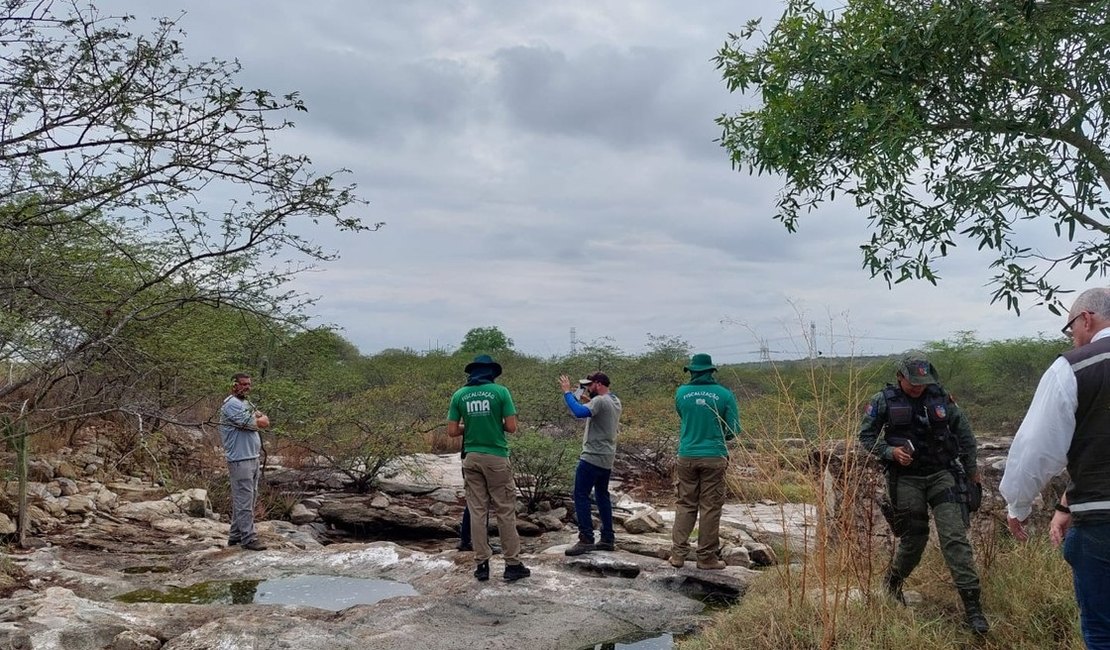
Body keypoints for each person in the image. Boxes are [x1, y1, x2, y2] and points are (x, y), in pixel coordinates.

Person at [1000, 287, 1110, 649]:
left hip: (1102, 521)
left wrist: (1018, 504)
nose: (1074, 338)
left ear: (1087, 318)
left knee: (1102, 630)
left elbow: (1035, 448)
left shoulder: (1075, 368)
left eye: (1071, 328)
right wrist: (1065, 504)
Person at [858, 353, 987, 634]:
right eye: (913, 383)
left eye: (922, 383)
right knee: (914, 539)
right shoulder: (883, 401)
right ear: (900, 378)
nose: (918, 387)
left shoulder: (941, 398)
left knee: (954, 538)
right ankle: (893, 583)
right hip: (905, 479)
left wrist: (972, 471)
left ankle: (973, 609)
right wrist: (890, 452)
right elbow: (865, 438)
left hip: (943, 474)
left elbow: (964, 435)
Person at [447, 354, 530, 582]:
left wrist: (471, 424)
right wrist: (492, 422)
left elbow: (452, 431)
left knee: (477, 511)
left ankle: (481, 565)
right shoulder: (501, 392)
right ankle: (512, 564)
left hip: (471, 458)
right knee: (504, 510)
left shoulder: (460, 395)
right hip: (496, 458)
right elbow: (511, 427)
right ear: (491, 372)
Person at [670, 353, 739, 571]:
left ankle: (678, 554)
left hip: (687, 455)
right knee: (710, 507)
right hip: (714, 456)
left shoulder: (681, 393)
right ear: (711, 371)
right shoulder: (724, 395)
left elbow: (684, 417)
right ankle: (706, 557)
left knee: (685, 504)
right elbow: (733, 429)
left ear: (691, 371)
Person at [559, 371, 623, 556]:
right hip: (607, 457)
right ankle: (607, 538)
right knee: (602, 495)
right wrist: (586, 399)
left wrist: (567, 393)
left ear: (598, 384)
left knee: (580, 495)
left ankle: (586, 538)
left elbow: (578, 412)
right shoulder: (615, 400)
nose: (587, 388)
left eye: (589, 385)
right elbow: (597, 410)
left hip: (592, 456)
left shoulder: (600, 401)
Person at [218, 373, 270, 551]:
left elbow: (264, 420)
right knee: (244, 500)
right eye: (243, 384)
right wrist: (258, 420)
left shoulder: (246, 403)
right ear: (234, 385)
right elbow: (256, 423)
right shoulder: (231, 404)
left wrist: (259, 419)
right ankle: (248, 538)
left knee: (248, 498)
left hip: (252, 458)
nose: (247, 387)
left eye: (249, 384)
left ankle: (235, 536)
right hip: (240, 460)